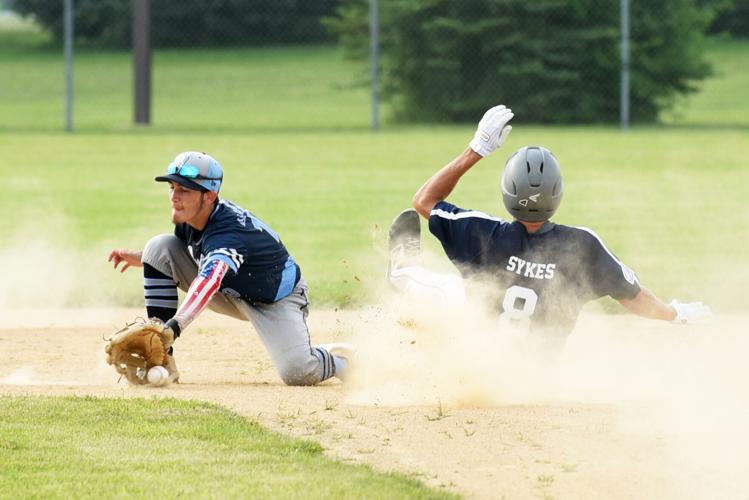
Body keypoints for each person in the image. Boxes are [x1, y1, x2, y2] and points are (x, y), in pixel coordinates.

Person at [387, 104, 711, 349]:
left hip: (479, 348)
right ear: (558, 194)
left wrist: (477, 149)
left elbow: (424, 201)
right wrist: (675, 314)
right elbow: (635, 298)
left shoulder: (482, 233)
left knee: (442, 288)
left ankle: (401, 269)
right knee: (457, 292)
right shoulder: (582, 246)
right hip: (535, 375)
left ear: (507, 192)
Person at [108, 151, 350, 385]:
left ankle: (340, 360)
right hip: (231, 290)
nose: (174, 196)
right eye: (172, 187)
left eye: (184, 190)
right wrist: (143, 257)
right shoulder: (189, 219)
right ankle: (161, 361)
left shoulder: (229, 234)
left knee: (298, 372)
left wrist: (172, 327)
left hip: (276, 300)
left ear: (210, 196)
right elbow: (182, 253)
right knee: (158, 246)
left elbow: (210, 281)